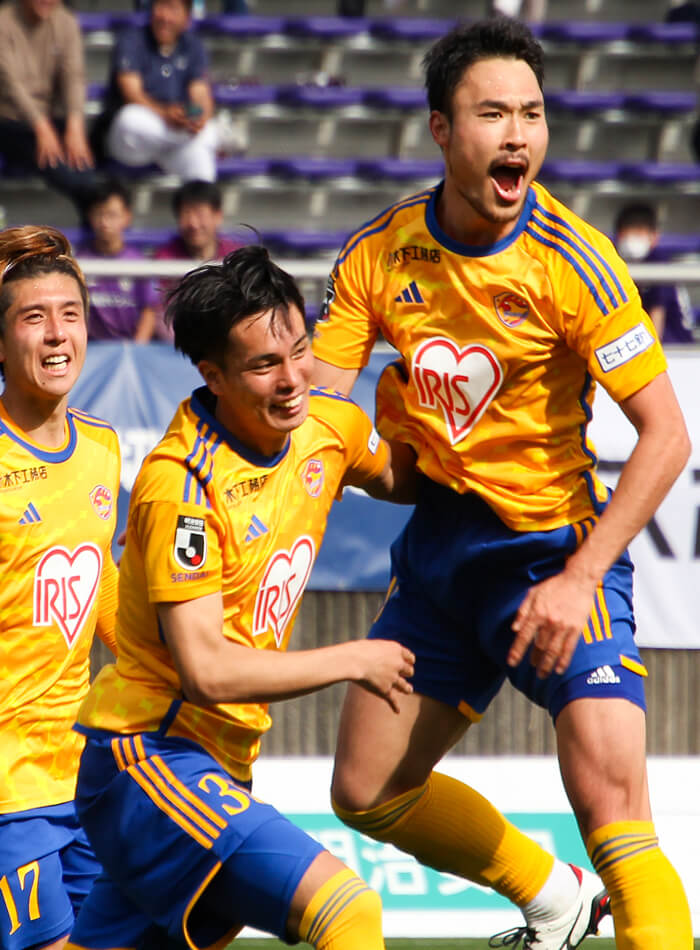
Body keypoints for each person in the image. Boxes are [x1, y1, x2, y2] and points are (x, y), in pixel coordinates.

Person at [312, 17, 692, 950]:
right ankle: (554, 898)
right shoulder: (377, 254)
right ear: (442, 130)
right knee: (364, 791)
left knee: (616, 813)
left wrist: (579, 577)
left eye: (532, 113)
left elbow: (666, 437)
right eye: (493, 114)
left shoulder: (575, 261)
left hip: (557, 555)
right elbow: (317, 420)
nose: (518, 134)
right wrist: (368, 465)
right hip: (443, 558)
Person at [64, 245, 418, 950]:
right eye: (264, 365)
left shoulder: (327, 427)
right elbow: (208, 671)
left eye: (299, 352)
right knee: (348, 910)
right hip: (149, 758)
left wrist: (430, 415)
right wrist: (354, 658)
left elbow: (404, 481)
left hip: (219, 765)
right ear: (213, 375)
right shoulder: (183, 487)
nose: (292, 380)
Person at [0, 226, 120, 950]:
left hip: (82, 774)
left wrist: (171, 664)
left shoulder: (102, 447)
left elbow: (102, 584)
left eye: (69, 314)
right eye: (33, 317)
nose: (55, 334)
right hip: (7, 785)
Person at [0, 0, 97, 219]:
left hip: (51, 117)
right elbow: (9, 84)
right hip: (10, 120)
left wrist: (75, 125)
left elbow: (74, 76)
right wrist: (41, 126)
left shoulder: (66, 22)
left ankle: (97, 218)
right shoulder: (3, 23)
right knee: (72, 176)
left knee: (83, 164)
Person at [102, 0, 219, 181]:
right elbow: (132, 93)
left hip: (174, 137)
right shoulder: (132, 39)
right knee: (130, 118)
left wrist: (197, 118)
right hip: (135, 139)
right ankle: (212, 137)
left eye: (173, 9)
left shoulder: (193, 45)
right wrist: (165, 114)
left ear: (187, 19)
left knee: (202, 156)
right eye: (160, 6)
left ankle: (201, 196)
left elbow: (200, 93)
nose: (165, 16)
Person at [152, 179, 243, 341]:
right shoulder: (164, 259)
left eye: (200, 214)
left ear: (218, 216)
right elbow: (159, 312)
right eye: (186, 214)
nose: (193, 223)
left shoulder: (236, 258)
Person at [76, 179, 158, 342]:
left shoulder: (139, 264)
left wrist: (136, 350)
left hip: (130, 348)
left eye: (112, 215)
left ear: (127, 217)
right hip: (91, 349)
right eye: (99, 214)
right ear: (90, 216)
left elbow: (149, 311)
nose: (104, 222)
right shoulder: (79, 263)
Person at [614, 202, 696, 345]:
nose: (633, 239)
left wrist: (650, 351)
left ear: (654, 237)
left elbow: (657, 317)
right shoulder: (615, 260)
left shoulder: (659, 262)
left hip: (673, 345)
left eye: (639, 232)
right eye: (629, 232)